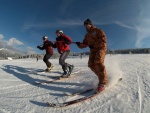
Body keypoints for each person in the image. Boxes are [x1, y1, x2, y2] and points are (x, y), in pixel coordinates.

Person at [76, 19, 108, 92]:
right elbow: (84, 44)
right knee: (91, 65)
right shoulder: (87, 35)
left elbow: (103, 39)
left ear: (90, 24)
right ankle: (102, 77)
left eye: (87, 25)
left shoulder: (97, 30)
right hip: (93, 50)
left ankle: (103, 82)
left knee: (98, 62)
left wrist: (94, 45)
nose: (86, 27)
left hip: (101, 48)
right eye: (85, 26)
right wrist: (79, 44)